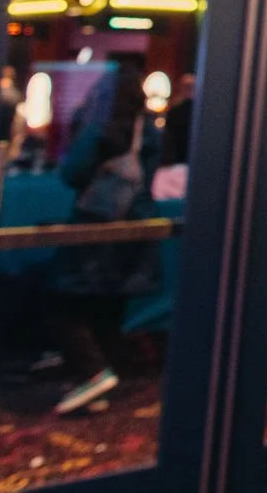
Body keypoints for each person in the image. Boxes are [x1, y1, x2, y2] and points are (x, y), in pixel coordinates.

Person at [50, 61, 163, 416]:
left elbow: (72, 173)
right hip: (136, 226)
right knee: (111, 307)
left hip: (95, 228)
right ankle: (99, 379)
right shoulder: (151, 133)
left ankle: (93, 373)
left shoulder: (100, 130)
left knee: (64, 304)